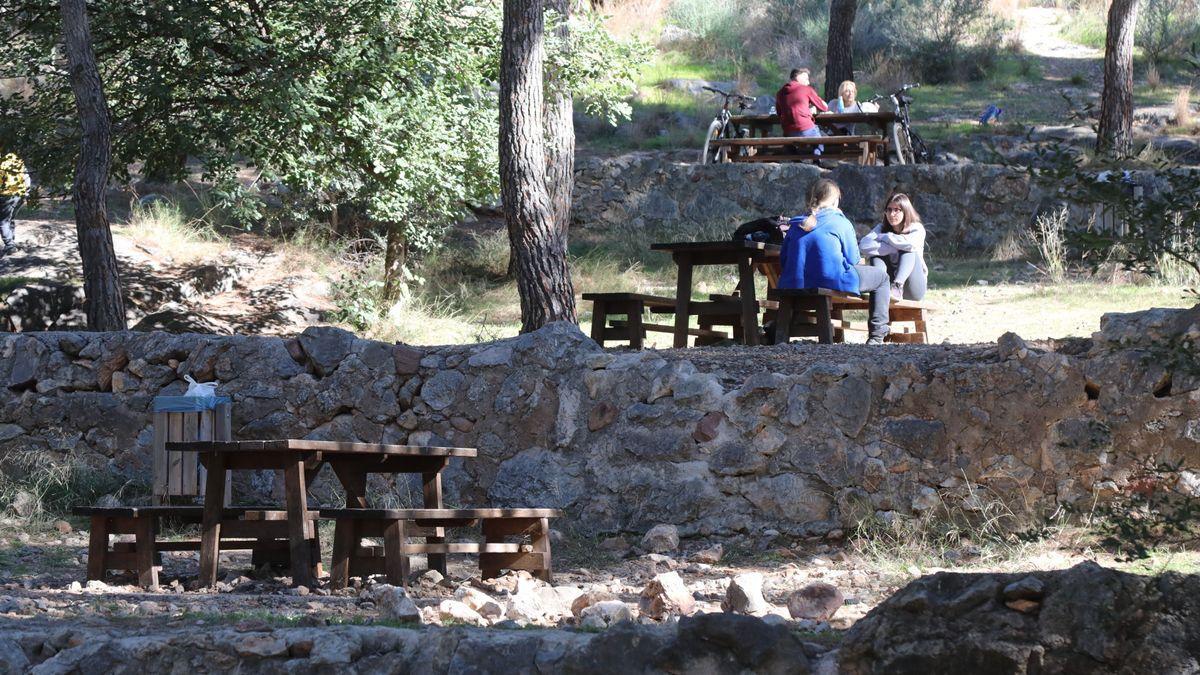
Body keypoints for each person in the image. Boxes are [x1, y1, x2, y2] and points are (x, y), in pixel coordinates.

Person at [779, 178, 891, 344]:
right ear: (835, 199)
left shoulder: (796, 223)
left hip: (794, 281)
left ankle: (780, 331)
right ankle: (877, 335)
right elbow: (853, 259)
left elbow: (784, 258)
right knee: (882, 278)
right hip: (831, 279)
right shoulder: (840, 222)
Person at [859, 193, 928, 302]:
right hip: (888, 285)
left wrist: (887, 238)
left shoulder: (916, 228)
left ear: (906, 211)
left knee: (909, 251)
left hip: (912, 288)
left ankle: (897, 286)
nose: (892, 214)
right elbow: (864, 245)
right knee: (876, 256)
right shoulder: (880, 228)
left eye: (897, 210)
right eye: (889, 210)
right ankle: (878, 284)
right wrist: (894, 247)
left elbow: (911, 245)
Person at [775, 68, 829, 155]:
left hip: (788, 131)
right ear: (798, 77)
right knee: (819, 139)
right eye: (806, 79)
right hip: (806, 128)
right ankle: (816, 160)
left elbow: (779, 113)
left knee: (788, 141)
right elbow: (824, 108)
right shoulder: (806, 89)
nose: (808, 83)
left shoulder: (780, 93)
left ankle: (796, 162)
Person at [0, 152, 30, 257]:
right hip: (20, 194)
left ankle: (10, 246)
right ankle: (10, 243)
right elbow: (26, 176)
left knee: (3, 221)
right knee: (10, 219)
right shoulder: (16, 159)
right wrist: (27, 192)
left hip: (6, 195)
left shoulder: (1, 162)